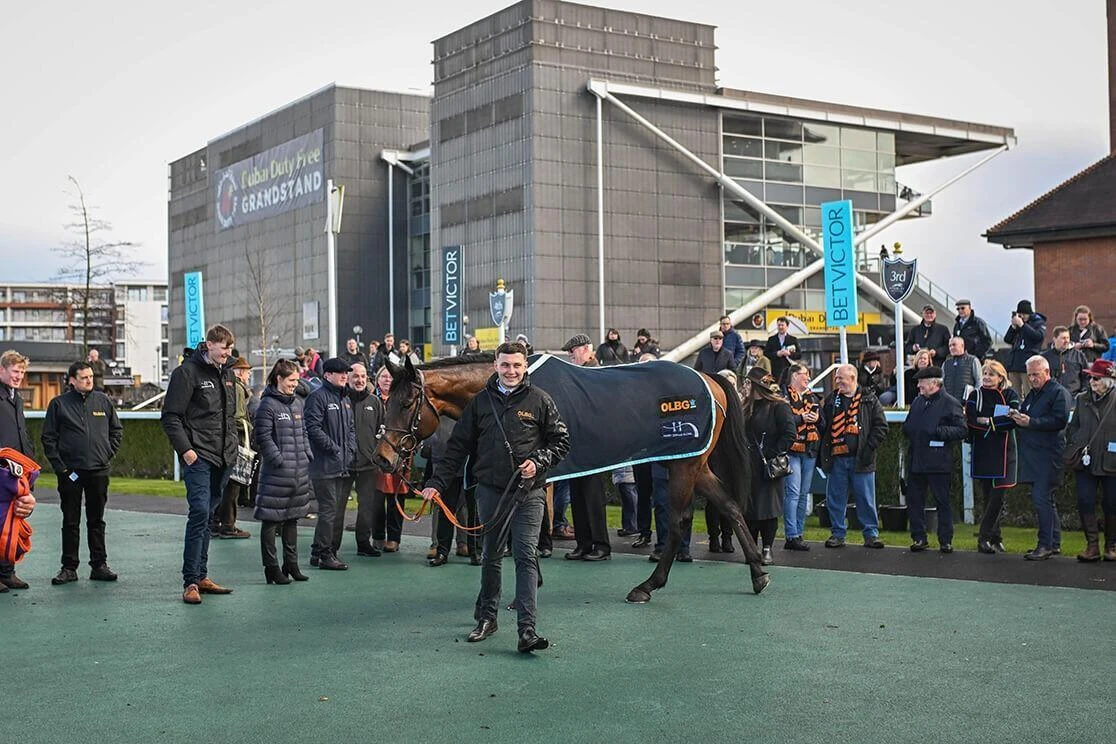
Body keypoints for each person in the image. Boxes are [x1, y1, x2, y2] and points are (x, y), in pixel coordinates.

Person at [421, 341, 570, 653]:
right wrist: (436, 482)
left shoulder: (540, 400)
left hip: (528, 493)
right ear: (495, 366)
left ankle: (527, 631)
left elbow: (561, 442)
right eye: (505, 365)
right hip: (489, 492)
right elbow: (457, 447)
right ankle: (487, 619)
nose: (511, 371)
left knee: (525, 556)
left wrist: (538, 461)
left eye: (516, 365)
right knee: (490, 556)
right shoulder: (480, 403)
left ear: (525, 366)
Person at [161, 324, 238, 604]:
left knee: (208, 516)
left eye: (230, 348)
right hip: (199, 456)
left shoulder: (227, 373)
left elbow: (229, 417)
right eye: (224, 348)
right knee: (198, 513)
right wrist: (187, 451)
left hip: (224, 456)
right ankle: (190, 581)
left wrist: (234, 448)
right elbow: (171, 416)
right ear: (209, 344)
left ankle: (202, 575)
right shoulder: (187, 373)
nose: (228, 353)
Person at [41, 360, 124, 585]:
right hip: (71, 473)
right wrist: (62, 468)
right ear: (72, 381)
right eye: (84, 378)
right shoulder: (58, 404)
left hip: (98, 471)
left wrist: (107, 454)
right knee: (70, 521)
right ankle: (69, 568)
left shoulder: (103, 401)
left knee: (96, 520)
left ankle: (99, 565)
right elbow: (48, 439)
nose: (89, 381)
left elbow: (116, 430)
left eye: (90, 377)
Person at [253, 359, 312, 585]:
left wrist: (306, 453)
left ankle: (291, 564)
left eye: (297, 381)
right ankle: (271, 568)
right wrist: (279, 459)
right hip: (276, 474)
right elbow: (263, 438)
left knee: (292, 519)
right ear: (279, 378)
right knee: (270, 522)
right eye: (291, 380)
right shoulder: (266, 405)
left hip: (298, 472)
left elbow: (304, 431)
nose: (295, 385)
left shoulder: (297, 404)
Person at [819, 364, 888, 549]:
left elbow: (881, 427)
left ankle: (871, 534)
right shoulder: (832, 399)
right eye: (836, 378)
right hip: (837, 458)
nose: (837, 381)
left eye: (841, 377)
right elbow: (823, 425)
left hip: (862, 459)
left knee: (866, 498)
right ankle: (837, 534)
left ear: (853, 378)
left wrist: (869, 449)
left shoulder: (870, 399)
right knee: (835, 498)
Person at [1010, 356, 1070, 560]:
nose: (1032, 378)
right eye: (1029, 375)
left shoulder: (1058, 392)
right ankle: (1053, 543)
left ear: (1047, 372)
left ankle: (1045, 545)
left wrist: (1032, 422)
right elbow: (1028, 414)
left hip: (1049, 455)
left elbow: (1060, 420)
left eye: (1036, 374)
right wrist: (1017, 417)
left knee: (1041, 499)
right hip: (1034, 455)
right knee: (1046, 500)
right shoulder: (1034, 394)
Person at [902, 366, 967, 552]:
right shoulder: (917, 402)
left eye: (921, 382)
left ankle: (945, 540)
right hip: (917, 460)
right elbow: (909, 424)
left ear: (933, 383)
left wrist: (938, 432)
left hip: (938, 462)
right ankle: (919, 537)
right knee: (915, 501)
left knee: (942, 501)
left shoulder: (950, 403)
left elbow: (961, 429)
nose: (918, 385)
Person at [560, 333, 611, 560]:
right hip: (577, 445)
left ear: (586, 350)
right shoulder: (577, 375)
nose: (571, 355)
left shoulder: (598, 375)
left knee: (593, 498)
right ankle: (584, 544)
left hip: (594, 445)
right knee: (578, 497)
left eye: (574, 350)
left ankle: (601, 545)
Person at [304, 357, 356, 571]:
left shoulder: (345, 399)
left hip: (341, 464)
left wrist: (349, 449)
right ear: (327, 375)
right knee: (328, 511)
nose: (345, 375)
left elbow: (351, 428)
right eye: (340, 372)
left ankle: (318, 552)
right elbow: (313, 428)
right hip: (324, 465)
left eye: (346, 372)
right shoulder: (318, 397)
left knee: (332, 510)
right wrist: (335, 449)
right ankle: (325, 554)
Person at [740, 367, 795, 564]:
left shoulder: (778, 406)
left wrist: (771, 454)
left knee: (768, 508)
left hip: (768, 466)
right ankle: (751, 547)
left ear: (757, 386)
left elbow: (789, 434)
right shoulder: (745, 406)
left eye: (748, 383)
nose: (745, 387)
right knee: (748, 507)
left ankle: (767, 548)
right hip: (747, 465)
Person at [965, 360, 1020, 554]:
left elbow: (1012, 420)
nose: (987, 378)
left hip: (1005, 453)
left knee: (998, 496)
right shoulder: (975, 394)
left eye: (991, 374)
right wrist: (993, 424)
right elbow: (971, 421)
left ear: (1001, 378)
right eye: (985, 374)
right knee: (988, 496)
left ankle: (984, 537)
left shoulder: (1010, 395)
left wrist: (988, 421)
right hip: (983, 451)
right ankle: (996, 538)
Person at [1064, 359, 1116, 562]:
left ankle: (1111, 546)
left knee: (1112, 503)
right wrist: (1079, 444)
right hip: (1085, 460)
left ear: (1109, 380)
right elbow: (1072, 427)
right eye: (1090, 377)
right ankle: (1092, 546)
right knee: (1085, 500)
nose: (1091, 380)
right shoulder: (1082, 398)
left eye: (1096, 377)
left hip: (1112, 461)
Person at [342, 362, 385, 558]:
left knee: (367, 507)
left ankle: (363, 543)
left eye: (363, 376)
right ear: (348, 378)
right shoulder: (340, 400)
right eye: (355, 377)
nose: (359, 380)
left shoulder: (375, 402)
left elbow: (380, 431)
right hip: (344, 464)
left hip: (368, 465)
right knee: (337, 507)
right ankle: (331, 547)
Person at [211, 356, 253, 539]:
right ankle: (228, 524)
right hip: (235, 443)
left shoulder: (231, 386)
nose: (249, 375)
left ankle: (216, 522)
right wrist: (247, 430)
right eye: (248, 372)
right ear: (241, 372)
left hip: (227, 442)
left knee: (224, 484)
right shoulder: (236, 388)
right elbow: (237, 417)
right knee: (233, 485)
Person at [783, 363, 823, 551]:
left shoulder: (812, 397)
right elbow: (781, 420)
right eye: (804, 374)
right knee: (792, 493)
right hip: (791, 450)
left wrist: (817, 419)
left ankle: (798, 533)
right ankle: (791, 535)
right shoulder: (783, 397)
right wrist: (800, 419)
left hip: (809, 450)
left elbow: (823, 421)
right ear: (794, 376)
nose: (808, 377)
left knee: (802, 494)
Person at [1003, 300, 1047, 394]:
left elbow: (1038, 337)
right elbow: (1007, 339)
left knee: (1029, 392)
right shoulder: (1018, 325)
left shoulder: (1038, 323)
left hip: (1027, 365)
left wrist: (1023, 325)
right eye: (1020, 314)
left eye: (1024, 314)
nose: (1022, 317)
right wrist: (1013, 327)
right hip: (1014, 364)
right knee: (1014, 394)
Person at [1043, 326, 1089, 395]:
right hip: (1053, 397)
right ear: (1054, 339)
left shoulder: (1079, 355)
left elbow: (1086, 376)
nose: (1067, 341)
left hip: (1074, 396)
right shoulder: (1045, 357)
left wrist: (1082, 392)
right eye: (1063, 338)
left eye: (1068, 338)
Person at [942, 336, 982, 403]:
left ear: (962, 345)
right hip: (948, 403)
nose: (951, 348)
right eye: (950, 346)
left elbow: (979, 381)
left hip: (965, 404)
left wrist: (973, 400)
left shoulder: (973, 360)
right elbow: (942, 384)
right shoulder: (946, 363)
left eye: (954, 345)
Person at [764, 316, 800, 382]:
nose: (780, 327)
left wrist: (789, 354)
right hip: (775, 372)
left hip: (789, 372)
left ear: (787, 326)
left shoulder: (793, 339)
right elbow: (766, 353)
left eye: (782, 325)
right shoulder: (771, 339)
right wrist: (777, 354)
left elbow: (799, 355)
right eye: (778, 325)